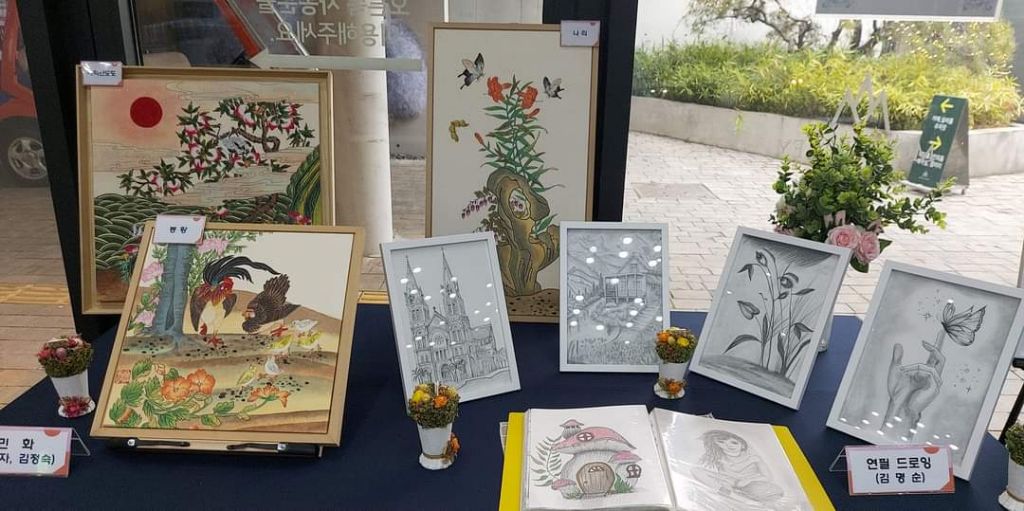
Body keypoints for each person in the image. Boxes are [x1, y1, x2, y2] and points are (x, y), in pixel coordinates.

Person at [692, 430, 784, 502]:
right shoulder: (718, 458)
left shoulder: (753, 458)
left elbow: (768, 477)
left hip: (751, 483)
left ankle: (740, 496)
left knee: (773, 491)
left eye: (734, 442)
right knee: (696, 471)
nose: (729, 446)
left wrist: (748, 480)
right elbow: (709, 471)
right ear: (716, 445)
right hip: (730, 483)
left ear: (742, 444)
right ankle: (731, 494)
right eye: (721, 442)